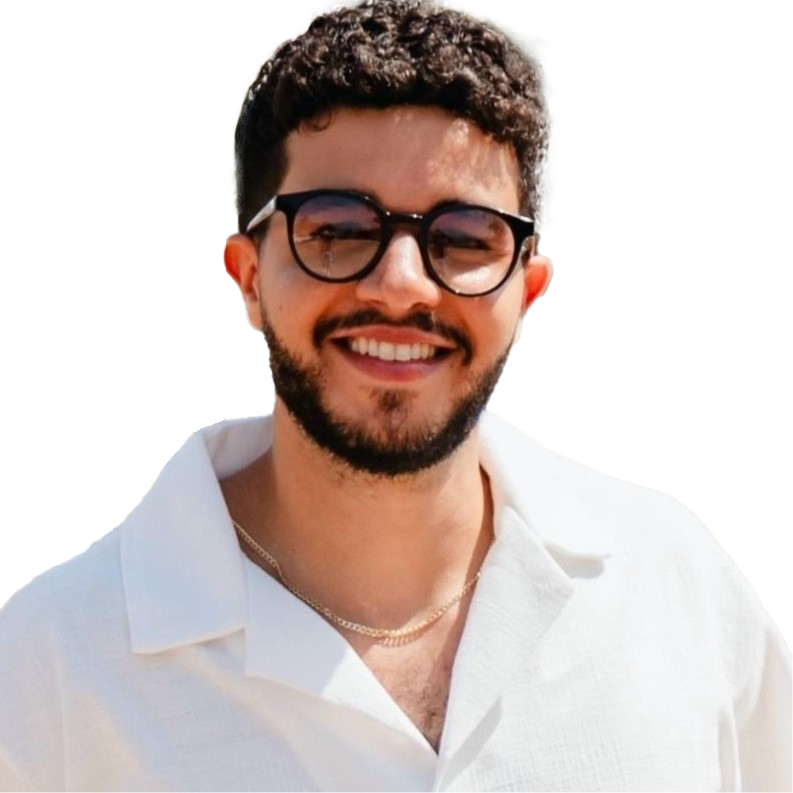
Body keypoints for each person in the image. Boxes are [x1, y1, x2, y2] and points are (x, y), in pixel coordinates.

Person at [0, 0, 790, 789]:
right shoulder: (53, 666)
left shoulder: (674, 591)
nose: (401, 283)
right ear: (247, 278)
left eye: (464, 237)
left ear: (525, 294)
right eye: (338, 229)